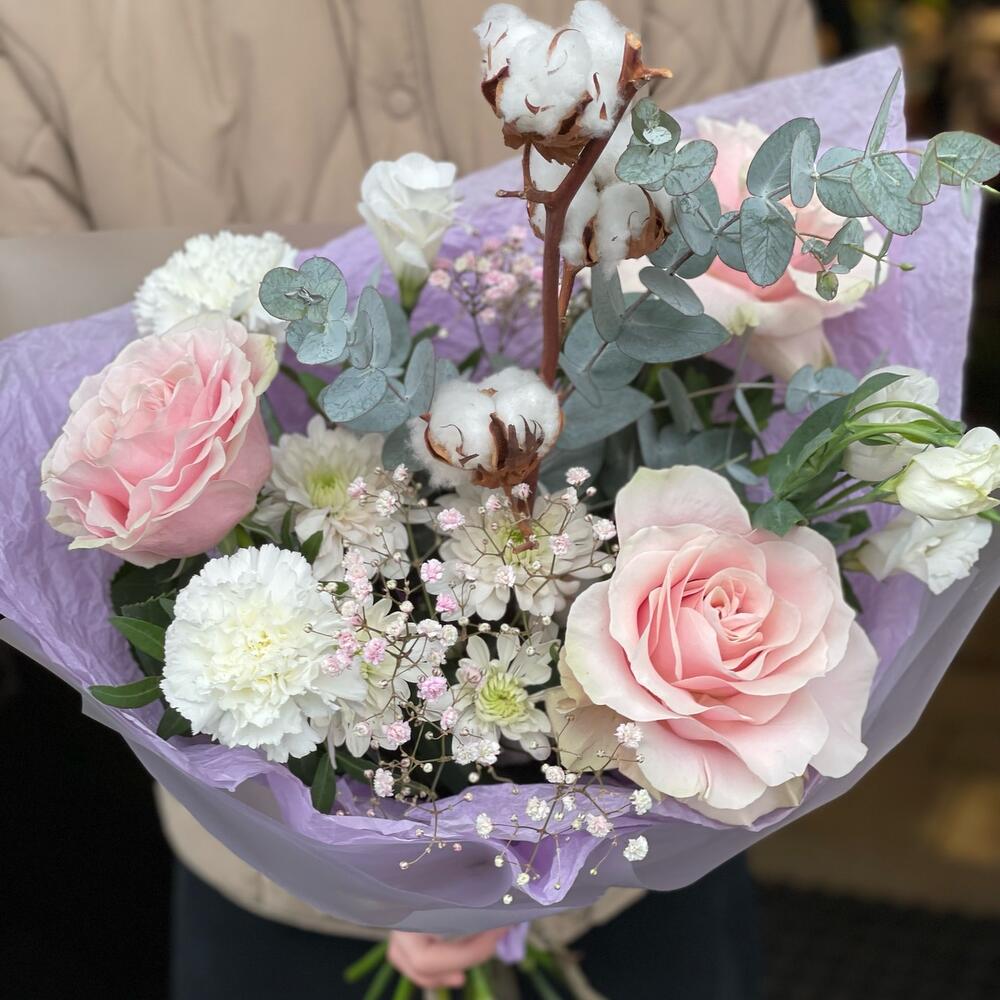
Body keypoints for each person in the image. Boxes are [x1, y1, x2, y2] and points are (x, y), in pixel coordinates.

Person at [0, 2, 818, 995]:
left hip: (646, 860)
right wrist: (375, 847)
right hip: (276, 888)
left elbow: (803, 297)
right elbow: (44, 427)